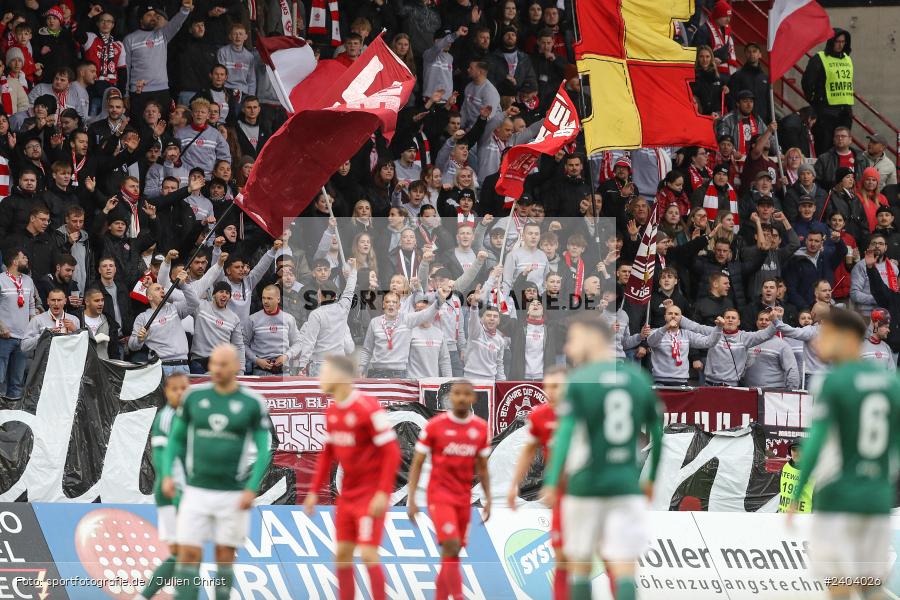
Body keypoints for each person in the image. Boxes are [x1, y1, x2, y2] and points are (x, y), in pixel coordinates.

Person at [542, 314, 663, 600]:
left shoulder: (580, 380)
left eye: (573, 339)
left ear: (592, 338)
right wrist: (651, 479)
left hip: (585, 485)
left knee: (579, 567)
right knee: (624, 569)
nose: (569, 348)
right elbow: (658, 434)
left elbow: (565, 435)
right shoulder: (638, 378)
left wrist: (552, 480)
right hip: (625, 485)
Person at [788, 308, 900, 600]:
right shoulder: (891, 383)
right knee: (870, 586)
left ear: (848, 338)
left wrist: (798, 492)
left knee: (838, 585)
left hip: (838, 497)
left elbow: (815, 443)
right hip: (877, 498)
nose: (818, 341)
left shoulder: (833, 382)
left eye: (826, 334)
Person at [161, 344, 272, 600]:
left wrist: (251, 487)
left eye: (223, 364)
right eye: (213, 364)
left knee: (224, 556)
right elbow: (176, 439)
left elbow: (264, 448)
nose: (217, 369)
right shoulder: (194, 398)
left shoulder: (252, 402)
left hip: (232, 494)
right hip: (196, 491)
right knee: (188, 554)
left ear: (235, 366)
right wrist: (167, 474)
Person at [304, 355, 402, 600]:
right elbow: (328, 453)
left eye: (324, 372)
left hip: (370, 496)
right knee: (342, 555)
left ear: (339, 376)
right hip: (347, 496)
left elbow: (392, 452)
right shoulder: (332, 410)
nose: (320, 378)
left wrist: (382, 493)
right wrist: (313, 491)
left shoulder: (368, 407)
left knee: (368, 554)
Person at [406, 379, 491, 600]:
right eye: (457, 394)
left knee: (452, 553)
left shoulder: (480, 429)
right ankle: (458, 595)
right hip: (439, 495)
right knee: (451, 545)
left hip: (463, 499)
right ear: (450, 398)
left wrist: (488, 499)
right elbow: (417, 462)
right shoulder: (435, 426)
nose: (461, 398)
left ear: (473, 398)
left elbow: (482, 467)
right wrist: (412, 498)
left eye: (466, 394)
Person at [506, 366, 568, 600]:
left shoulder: (582, 413)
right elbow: (529, 451)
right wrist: (513, 484)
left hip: (586, 491)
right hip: (560, 493)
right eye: (548, 387)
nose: (551, 391)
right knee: (561, 553)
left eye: (557, 386)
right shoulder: (540, 415)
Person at [137, 372, 189, 600]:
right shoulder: (166, 418)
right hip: (172, 492)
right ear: (167, 392)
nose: (180, 393)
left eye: (184, 388)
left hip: (188, 492)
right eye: (175, 389)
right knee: (185, 552)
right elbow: (159, 454)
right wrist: (167, 477)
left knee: (184, 553)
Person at [124, 1, 194, 119]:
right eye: (149, 15)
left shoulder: (162, 34)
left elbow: (176, 23)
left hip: (161, 90)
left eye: (155, 15)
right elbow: (126, 67)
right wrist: (125, 93)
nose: (153, 18)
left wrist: (185, 10)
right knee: (140, 125)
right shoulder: (129, 39)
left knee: (162, 125)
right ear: (140, 19)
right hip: (139, 92)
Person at [359, 288, 445, 378]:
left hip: (398, 374)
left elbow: (425, 313)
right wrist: (362, 367)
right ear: (383, 305)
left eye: (394, 302)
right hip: (376, 373)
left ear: (399, 306)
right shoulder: (374, 322)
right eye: (388, 302)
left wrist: (440, 302)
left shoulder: (406, 319)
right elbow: (367, 349)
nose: (391, 304)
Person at [128, 271, 200, 376]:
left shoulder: (174, 308)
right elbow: (132, 345)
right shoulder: (142, 317)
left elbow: (195, 302)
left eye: (163, 289)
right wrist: (139, 339)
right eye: (157, 289)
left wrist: (183, 285)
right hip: (160, 368)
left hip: (182, 366)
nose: (162, 290)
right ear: (149, 297)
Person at [801, 28, 854, 154]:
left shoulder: (847, 58)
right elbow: (807, 83)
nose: (840, 45)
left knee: (842, 149)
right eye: (837, 41)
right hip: (826, 112)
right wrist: (816, 102)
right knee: (824, 148)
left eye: (843, 42)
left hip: (845, 112)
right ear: (831, 41)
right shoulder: (819, 58)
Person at [646, 304, 723, 385]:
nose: (673, 316)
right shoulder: (655, 332)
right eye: (670, 313)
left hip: (681, 381)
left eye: (676, 314)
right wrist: (666, 327)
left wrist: (719, 328)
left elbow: (708, 342)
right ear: (665, 317)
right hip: (660, 381)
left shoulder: (687, 334)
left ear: (681, 318)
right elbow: (651, 342)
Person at [0, 249, 36, 400]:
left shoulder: (28, 280)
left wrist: (32, 329)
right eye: (23, 257)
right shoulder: (1, 279)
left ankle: (12, 412)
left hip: (23, 339)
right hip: (4, 337)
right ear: (14, 262)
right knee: (0, 380)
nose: (26, 259)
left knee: (17, 382)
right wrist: (1, 327)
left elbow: (32, 305)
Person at [245, 285, 302, 375]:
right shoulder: (252, 319)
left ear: (278, 299)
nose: (265, 301)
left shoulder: (288, 319)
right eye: (263, 298)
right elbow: (243, 344)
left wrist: (286, 356)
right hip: (260, 371)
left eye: (269, 298)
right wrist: (256, 360)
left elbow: (298, 343)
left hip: (283, 372)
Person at [190, 280, 244, 375]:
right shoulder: (200, 306)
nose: (224, 295)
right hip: (199, 363)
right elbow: (185, 298)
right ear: (214, 294)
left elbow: (238, 346)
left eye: (227, 293)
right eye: (221, 291)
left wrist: (241, 370)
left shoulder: (234, 318)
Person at [745, 309, 801, 389]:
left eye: (767, 320)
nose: (763, 322)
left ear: (773, 323)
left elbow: (792, 370)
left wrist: (792, 391)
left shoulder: (782, 345)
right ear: (757, 322)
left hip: (773, 392)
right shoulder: (748, 340)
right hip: (749, 390)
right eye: (761, 319)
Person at [20, 288, 80, 353]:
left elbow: (82, 346)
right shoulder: (37, 320)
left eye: (59, 300)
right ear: (48, 301)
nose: (56, 303)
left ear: (65, 301)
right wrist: (44, 336)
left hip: (67, 358)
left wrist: (75, 331)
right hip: (46, 359)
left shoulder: (74, 320)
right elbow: (24, 346)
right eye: (53, 300)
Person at [81, 287, 120, 360]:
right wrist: (94, 340)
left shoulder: (109, 321)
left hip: (103, 364)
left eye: (102, 300)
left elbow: (114, 351)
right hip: (83, 364)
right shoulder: (77, 319)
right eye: (96, 301)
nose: (101, 303)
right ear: (87, 302)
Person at [777, 441, 812, 513]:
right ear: (790, 451)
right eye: (794, 449)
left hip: (804, 517)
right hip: (784, 515)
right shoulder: (785, 467)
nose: (797, 453)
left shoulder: (812, 471)